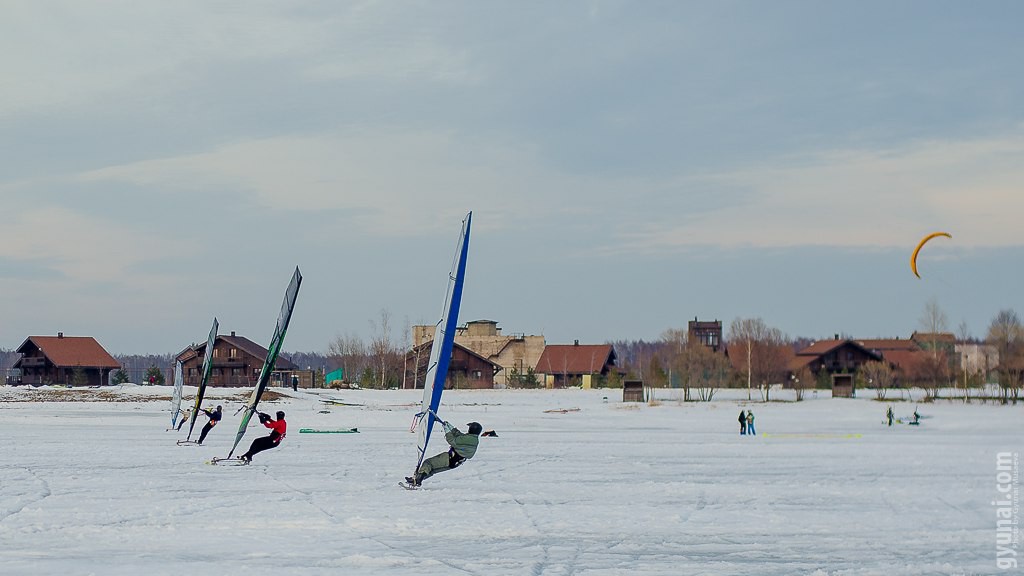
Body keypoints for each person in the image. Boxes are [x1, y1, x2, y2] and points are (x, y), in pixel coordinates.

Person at [406, 421, 482, 487]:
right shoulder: (473, 439)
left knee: (428, 463)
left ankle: (417, 480)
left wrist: (447, 430)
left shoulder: (468, 439)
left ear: (471, 429)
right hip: (454, 463)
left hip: (450, 458)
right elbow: (459, 435)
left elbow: (451, 440)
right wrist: (451, 427)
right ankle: (416, 480)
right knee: (431, 470)